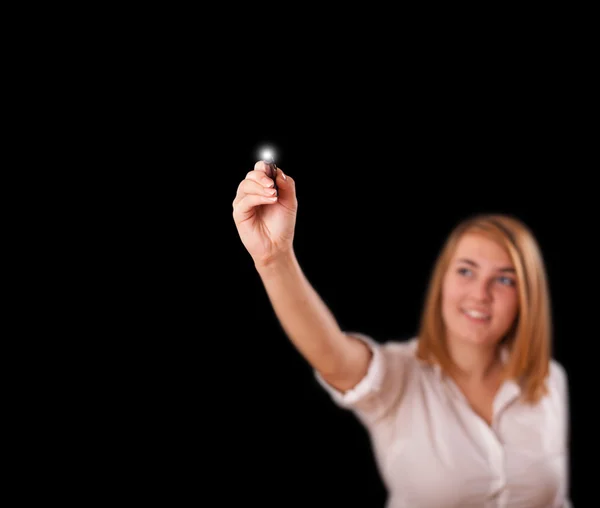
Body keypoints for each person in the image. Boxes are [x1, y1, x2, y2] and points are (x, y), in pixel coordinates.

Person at [232, 160, 571, 507]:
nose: (480, 294)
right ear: (442, 282)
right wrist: (275, 259)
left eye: (504, 279)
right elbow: (333, 356)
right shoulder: (399, 378)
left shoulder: (548, 380)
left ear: (527, 297)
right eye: (466, 271)